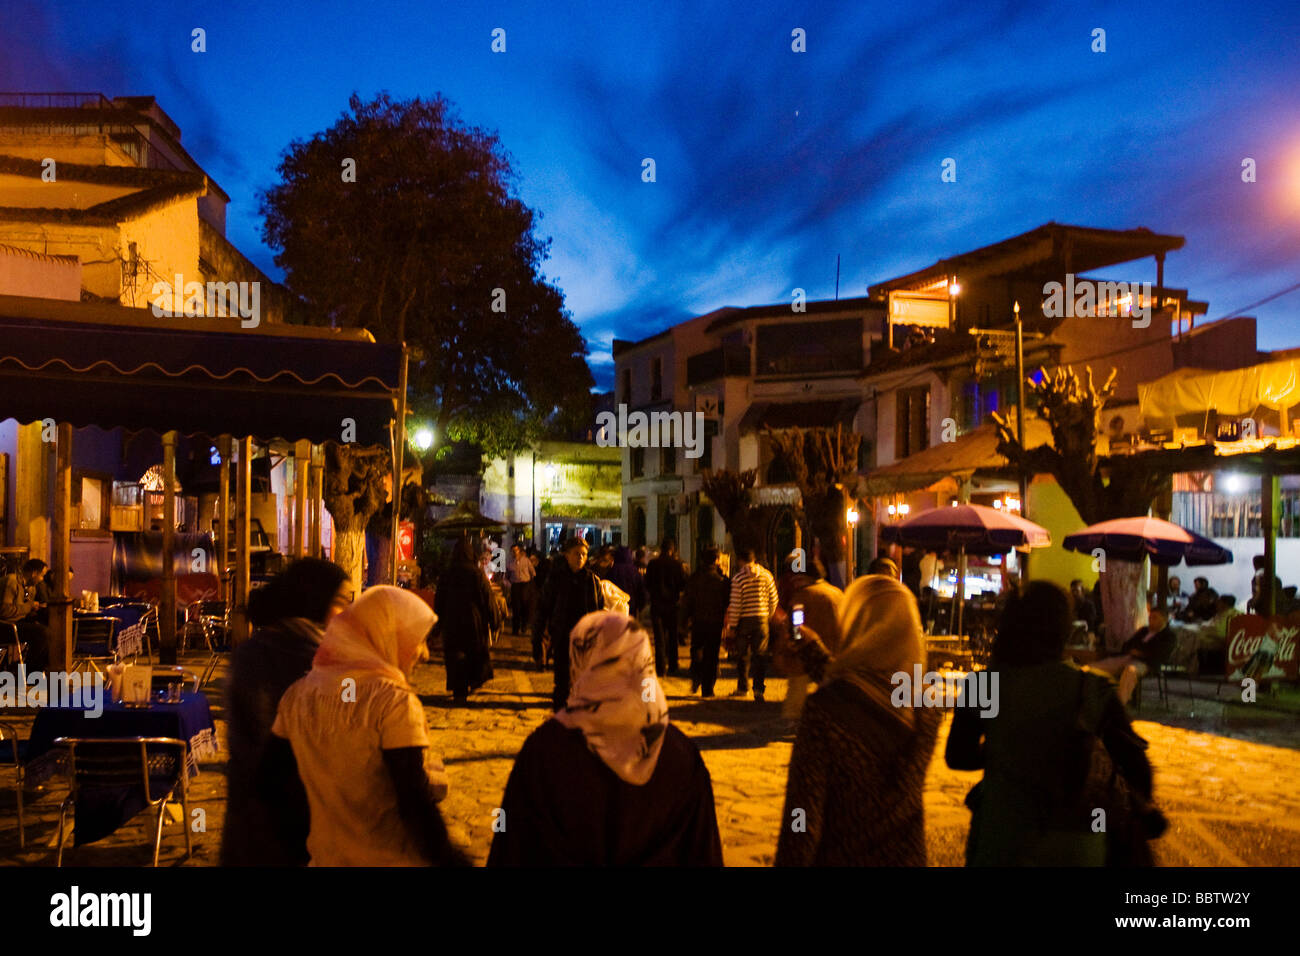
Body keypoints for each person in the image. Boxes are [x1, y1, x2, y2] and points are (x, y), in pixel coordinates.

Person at [946, 582, 1163, 866]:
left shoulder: (982, 684)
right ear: (1063, 629)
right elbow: (1137, 767)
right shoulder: (1091, 688)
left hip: (1003, 838)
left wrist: (1003, 749)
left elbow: (958, 757)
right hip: (1079, 841)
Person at [487, 611, 723, 866]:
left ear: (580, 661)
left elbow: (511, 847)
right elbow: (703, 853)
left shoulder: (542, 753)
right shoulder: (682, 757)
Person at [266, 586, 465, 866]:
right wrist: (451, 860)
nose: (424, 654)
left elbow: (273, 780)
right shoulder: (393, 703)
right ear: (385, 638)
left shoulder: (297, 695)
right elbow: (414, 801)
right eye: (415, 640)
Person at [775, 575, 941, 865]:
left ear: (856, 625)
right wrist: (812, 649)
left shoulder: (825, 711)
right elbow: (865, 688)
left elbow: (801, 818)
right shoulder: (927, 706)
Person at [221, 558, 352, 866]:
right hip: (267, 821)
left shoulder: (325, 656)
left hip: (307, 816)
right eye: (341, 602)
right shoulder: (263, 656)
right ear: (315, 600)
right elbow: (259, 743)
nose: (346, 613)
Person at [535, 537, 605, 709]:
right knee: (562, 678)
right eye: (576, 554)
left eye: (584, 554)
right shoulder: (556, 579)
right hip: (562, 635)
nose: (580, 558)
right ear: (566, 555)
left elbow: (600, 609)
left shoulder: (592, 580)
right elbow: (544, 607)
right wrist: (539, 634)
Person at [773, 553, 844, 718]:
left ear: (806, 578)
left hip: (807, 650)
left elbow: (796, 626)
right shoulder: (836, 593)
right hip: (833, 649)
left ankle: (793, 716)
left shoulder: (803, 596)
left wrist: (792, 644)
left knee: (797, 686)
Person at [435, 537, 498, 704]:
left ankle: (459, 690)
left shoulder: (447, 575)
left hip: (452, 622)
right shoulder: (477, 575)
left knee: (455, 657)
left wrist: (437, 624)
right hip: (474, 622)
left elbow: (439, 601)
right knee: (472, 654)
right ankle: (472, 681)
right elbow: (488, 599)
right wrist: (494, 621)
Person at [724, 549, 778, 702]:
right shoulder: (767, 575)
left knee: (743, 655)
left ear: (741, 561)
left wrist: (732, 626)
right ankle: (759, 689)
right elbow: (774, 598)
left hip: (743, 622)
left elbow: (736, 604)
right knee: (760, 655)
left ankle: (743, 687)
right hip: (761, 620)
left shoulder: (738, 578)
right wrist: (768, 615)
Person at [1090, 610, 1176, 705]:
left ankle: (1120, 703)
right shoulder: (1144, 631)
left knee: (1130, 671)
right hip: (1129, 657)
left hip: (1146, 663)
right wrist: (1132, 650)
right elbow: (1127, 644)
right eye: (1150, 617)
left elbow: (1159, 653)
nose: (1151, 620)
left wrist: (1141, 652)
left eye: (1155, 618)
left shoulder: (1168, 636)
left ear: (1164, 620)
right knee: (1097, 667)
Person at [683, 548, 730, 697]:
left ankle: (697, 675)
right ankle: (708, 688)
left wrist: (684, 620)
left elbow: (687, 601)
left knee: (697, 649)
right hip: (715, 622)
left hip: (698, 621)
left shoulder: (695, 578)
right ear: (716, 560)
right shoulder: (722, 580)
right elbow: (727, 602)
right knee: (712, 654)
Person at [1, 558, 51, 673]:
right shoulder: (12, 582)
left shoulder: (30, 588)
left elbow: (23, 609)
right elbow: (4, 611)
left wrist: (35, 609)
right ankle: (30, 672)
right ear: (34, 573)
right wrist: (29, 606)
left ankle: (42, 669)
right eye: (41, 575)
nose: (42, 579)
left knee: (50, 630)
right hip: (5, 626)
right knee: (41, 633)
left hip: (17, 623)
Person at [646, 538, 688, 676]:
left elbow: (647, 584)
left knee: (659, 638)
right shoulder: (677, 565)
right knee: (673, 636)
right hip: (672, 606)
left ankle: (660, 668)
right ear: (672, 550)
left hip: (657, 605)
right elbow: (683, 584)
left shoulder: (652, 564)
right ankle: (673, 665)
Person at [606, 545, 647, 619]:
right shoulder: (635, 572)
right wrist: (640, 606)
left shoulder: (611, 571)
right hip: (631, 607)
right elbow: (641, 590)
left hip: (615, 608)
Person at [507, 544, 536, 635]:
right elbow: (507, 576)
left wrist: (530, 584)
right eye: (513, 550)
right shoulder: (510, 562)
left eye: (516, 550)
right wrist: (509, 584)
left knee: (525, 606)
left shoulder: (526, 560)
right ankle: (515, 629)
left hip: (525, 584)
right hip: (515, 585)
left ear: (519, 551)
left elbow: (533, 573)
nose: (514, 552)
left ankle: (524, 624)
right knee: (516, 608)